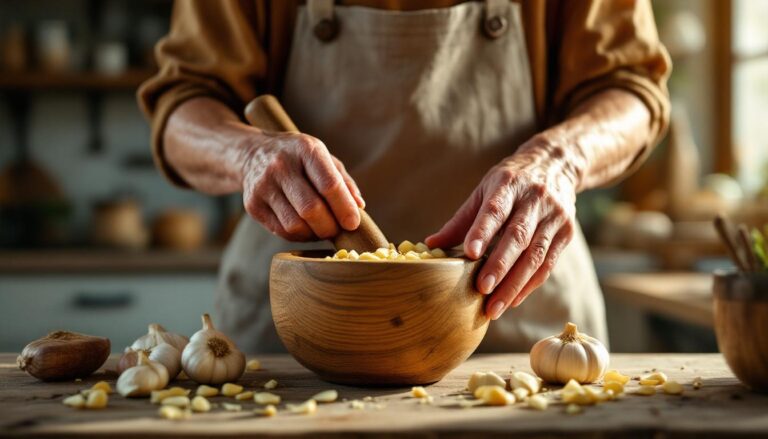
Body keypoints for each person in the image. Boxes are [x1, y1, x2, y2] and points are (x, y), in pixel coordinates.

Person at [139, 0, 670, 353]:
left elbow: (630, 88)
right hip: (300, 329)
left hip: (516, 320)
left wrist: (560, 158)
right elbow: (183, 102)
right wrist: (246, 153)